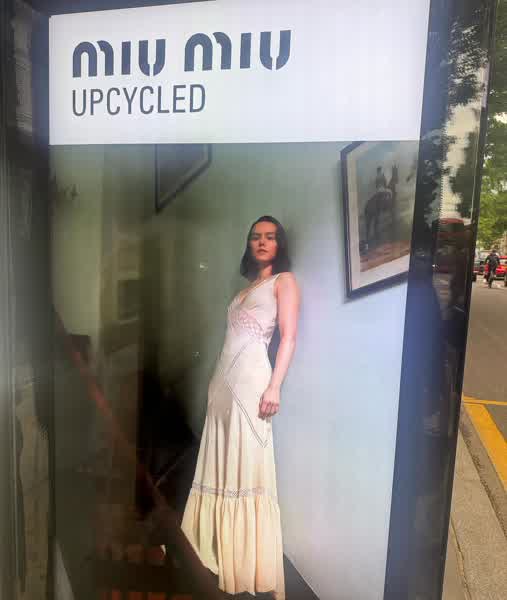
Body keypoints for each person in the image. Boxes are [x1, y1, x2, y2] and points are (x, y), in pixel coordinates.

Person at [181, 216, 300, 599]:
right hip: (221, 385)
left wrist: (275, 387)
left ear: (279, 244)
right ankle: (211, 547)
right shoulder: (244, 289)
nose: (262, 242)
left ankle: (243, 564)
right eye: (255, 237)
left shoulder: (284, 282)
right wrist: (214, 386)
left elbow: (288, 338)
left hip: (252, 383)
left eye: (270, 237)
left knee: (246, 462)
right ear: (249, 244)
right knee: (218, 461)